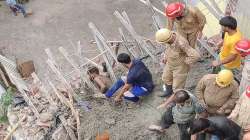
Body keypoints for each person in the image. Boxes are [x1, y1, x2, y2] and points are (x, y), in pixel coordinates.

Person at [155, 28, 200, 97]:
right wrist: (165, 57)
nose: (164, 43)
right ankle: (168, 92)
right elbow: (168, 48)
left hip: (180, 67)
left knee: (177, 87)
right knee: (166, 78)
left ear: (168, 39)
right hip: (170, 63)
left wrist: (185, 62)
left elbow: (196, 56)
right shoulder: (169, 36)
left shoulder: (181, 43)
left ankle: (178, 99)